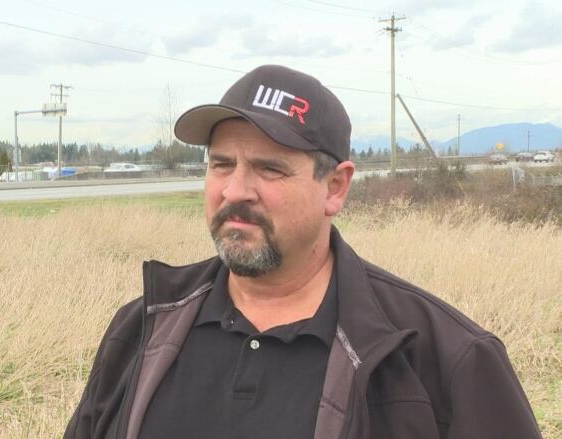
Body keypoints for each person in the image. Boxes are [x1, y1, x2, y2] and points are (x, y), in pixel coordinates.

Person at [64, 65, 542, 439]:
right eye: (221, 164)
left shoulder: (441, 360)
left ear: (336, 187)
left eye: (269, 169)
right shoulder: (144, 328)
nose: (235, 190)